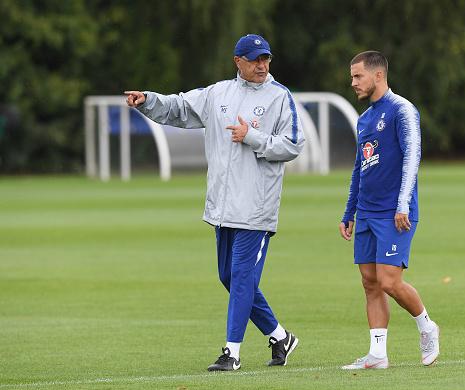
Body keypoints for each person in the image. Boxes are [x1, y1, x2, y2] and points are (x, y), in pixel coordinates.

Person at [125, 34, 304, 372]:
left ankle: (231, 353)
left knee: (240, 277)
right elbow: (178, 108)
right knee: (229, 277)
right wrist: (147, 99)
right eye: (255, 59)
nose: (262, 65)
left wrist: (251, 137)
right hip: (223, 206)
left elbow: (293, 144)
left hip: (256, 207)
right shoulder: (217, 93)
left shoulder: (280, 97)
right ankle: (280, 336)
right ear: (238, 61)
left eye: (266, 58)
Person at [339, 51, 440, 369]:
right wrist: (349, 212)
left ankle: (427, 327)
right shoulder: (365, 119)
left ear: (378, 75)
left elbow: (413, 155)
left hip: (395, 212)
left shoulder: (402, 110)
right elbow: (359, 168)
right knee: (370, 281)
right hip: (367, 212)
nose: (352, 82)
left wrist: (402, 204)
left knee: (389, 281)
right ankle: (377, 354)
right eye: (352, 76)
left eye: (358, 76)